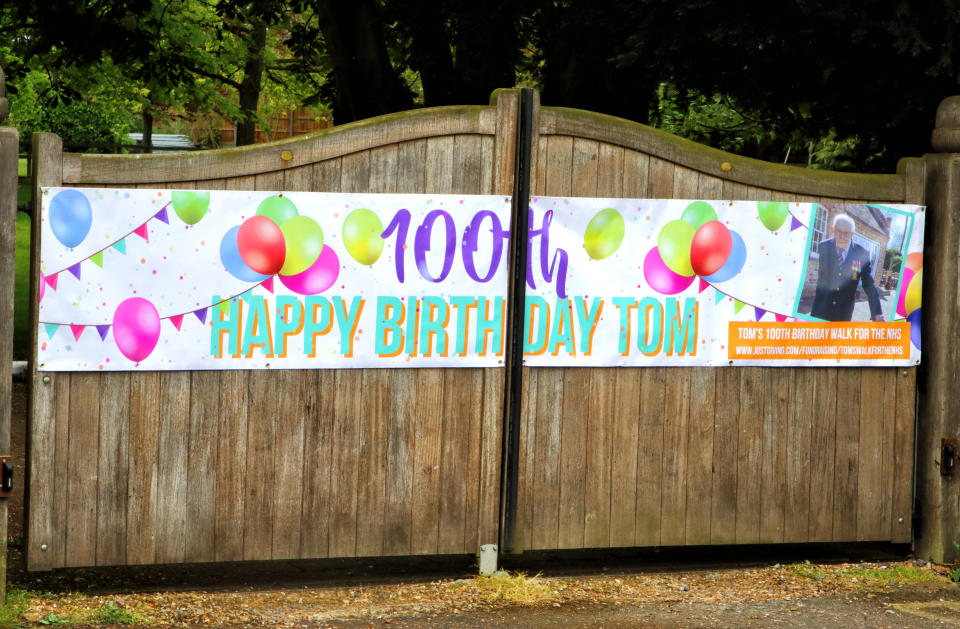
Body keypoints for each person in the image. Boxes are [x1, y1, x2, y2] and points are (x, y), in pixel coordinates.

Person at [810, 214, 884, 322]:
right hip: (820, 309)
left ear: (852, 234)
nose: (842, 236)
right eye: (839, 231)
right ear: (833, 229)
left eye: (846, 233)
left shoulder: (861, 254)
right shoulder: (823, 247)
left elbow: (868, 284)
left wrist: (876, 312)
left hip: (843, 314)